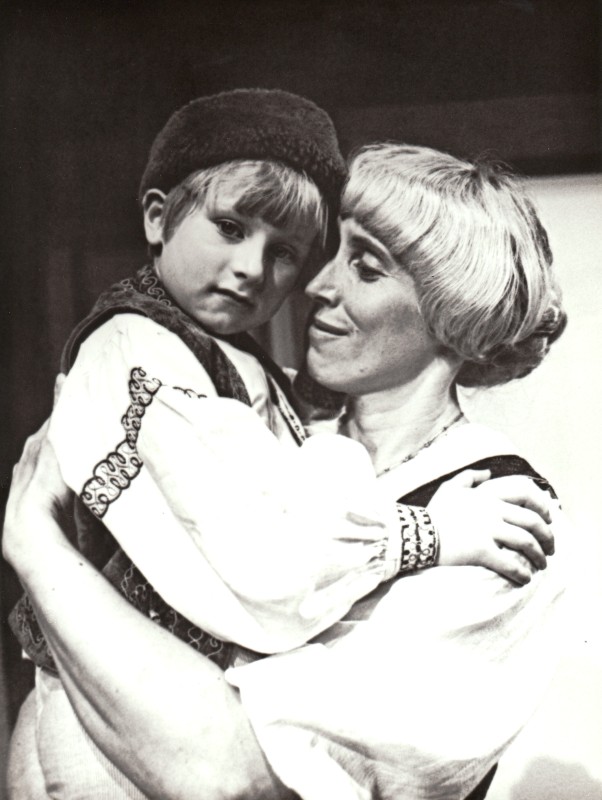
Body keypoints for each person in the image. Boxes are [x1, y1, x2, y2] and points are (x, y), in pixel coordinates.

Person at [6, 93, 554, 799]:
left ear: (454, 316)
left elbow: (235, 778)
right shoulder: (226, 400)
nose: (313, 286)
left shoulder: (501, 514)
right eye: (328, 256)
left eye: (364, 267)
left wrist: (35, 546)